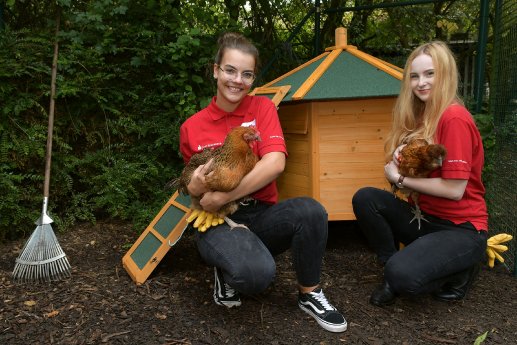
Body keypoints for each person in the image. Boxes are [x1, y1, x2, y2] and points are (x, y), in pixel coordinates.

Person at [178, 32, 347, 333]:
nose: (236, 80)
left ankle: (310, 293)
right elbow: (191, 184)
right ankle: (228, 267)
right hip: (216, 221)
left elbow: (275, 163)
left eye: (246, 74)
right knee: (255, 277)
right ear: (216, 70)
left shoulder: (263, 109)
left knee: (311, 211)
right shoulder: (192, 126)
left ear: (253, 79)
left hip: (260, 212)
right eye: (230, 70)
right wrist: (198, 190)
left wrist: (224, 195)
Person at [352, 41, 488, 307]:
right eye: (414, 76)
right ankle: (392, 267)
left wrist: (399, 179)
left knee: (405, 278)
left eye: (430, 74)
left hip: (461, 230)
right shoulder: (424, 114)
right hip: (425, 218)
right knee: (366, 198)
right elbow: (421, 168)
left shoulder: (454, 118)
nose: (421, 83)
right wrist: (401, 158)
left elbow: (454, 189)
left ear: (445, 74)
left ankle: (459, 271)